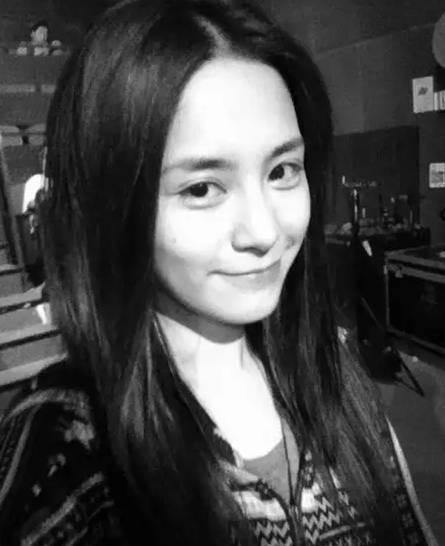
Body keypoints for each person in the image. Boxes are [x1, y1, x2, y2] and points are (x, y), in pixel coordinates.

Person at [0, 1, 438, 544]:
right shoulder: (67, 453)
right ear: (110, 206)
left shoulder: (334, 376)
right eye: (202, 188)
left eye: (282, 170)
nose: (264, 230)